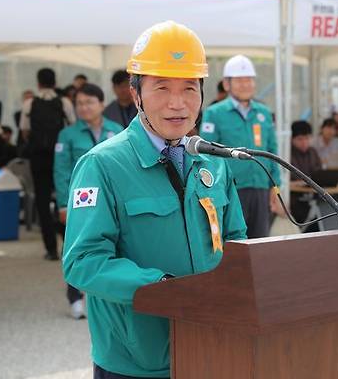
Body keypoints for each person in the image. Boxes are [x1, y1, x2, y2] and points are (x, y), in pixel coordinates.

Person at [62, 20, 247, 379]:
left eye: (190, 88)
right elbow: (83, 262)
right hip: (135, 360)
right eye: (161, 87)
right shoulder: (101, 165)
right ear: (136, 94)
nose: (178, 104)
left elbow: (237, 243)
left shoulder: (213, 163)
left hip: (212, 345)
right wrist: (161, 289)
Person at [54, 83, 123, 320]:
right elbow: (61, 172)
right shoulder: (67, 135)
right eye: (79, 103)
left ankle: (106, 297)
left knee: (112, 247)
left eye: (89, 102)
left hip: (112, 201)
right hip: (81, 203)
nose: (84, 107)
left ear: (102, 104)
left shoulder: (117, 130)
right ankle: (75, 297)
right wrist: (64, 203)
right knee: (77, 249)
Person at [200, 54, 280, 238]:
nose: (246, 84)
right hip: (230, 190)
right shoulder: (214, 113)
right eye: (240, 80)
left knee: (261, 242)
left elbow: (272, 150)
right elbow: (207, 155)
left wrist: (275, 186)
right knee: (234, 242)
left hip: (261, 187)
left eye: (249, 80)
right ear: (227, 84)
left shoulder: (264, 112)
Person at [20, 67, 76, 260]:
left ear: (38, 82)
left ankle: (50, 248)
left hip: (39, 158)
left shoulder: (29, 103)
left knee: (42, 202)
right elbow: (72, 125)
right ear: (55, 82)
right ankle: (67, 243)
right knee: (65, 198)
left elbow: (24, 130)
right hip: (60, 155)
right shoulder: (64, 102)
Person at [290, 120, 322, 233]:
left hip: (313, 197)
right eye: (300, 139)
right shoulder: (287, 154)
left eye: (307, 138)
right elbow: (283, 181)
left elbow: (320, 174)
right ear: (292, 139)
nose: (304, 142)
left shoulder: (313, 152)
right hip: (294, 201)